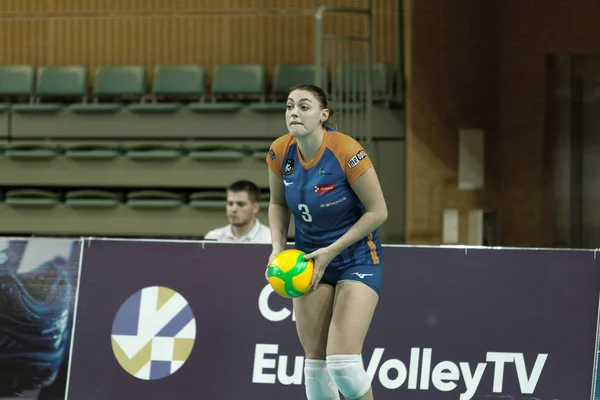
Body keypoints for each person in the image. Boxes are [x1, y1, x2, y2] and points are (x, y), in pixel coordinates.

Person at [265, 84, 388, 400]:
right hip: (308, 262)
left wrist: (331, 251)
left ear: (324, 115)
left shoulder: (346, 150)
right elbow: (278, 204)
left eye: (304, 106)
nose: (294, 112)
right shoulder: (280, 151)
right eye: (290, 105)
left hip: (355, 258)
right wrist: (278, 248)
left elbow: (378, 212)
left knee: (343, 364)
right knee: (316, 368)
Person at [204, 180, 271, 243]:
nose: (233, 209)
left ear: (255, 207)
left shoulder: (270, 239)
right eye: (230, 204)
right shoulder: (213, 238)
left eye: (240, 204)